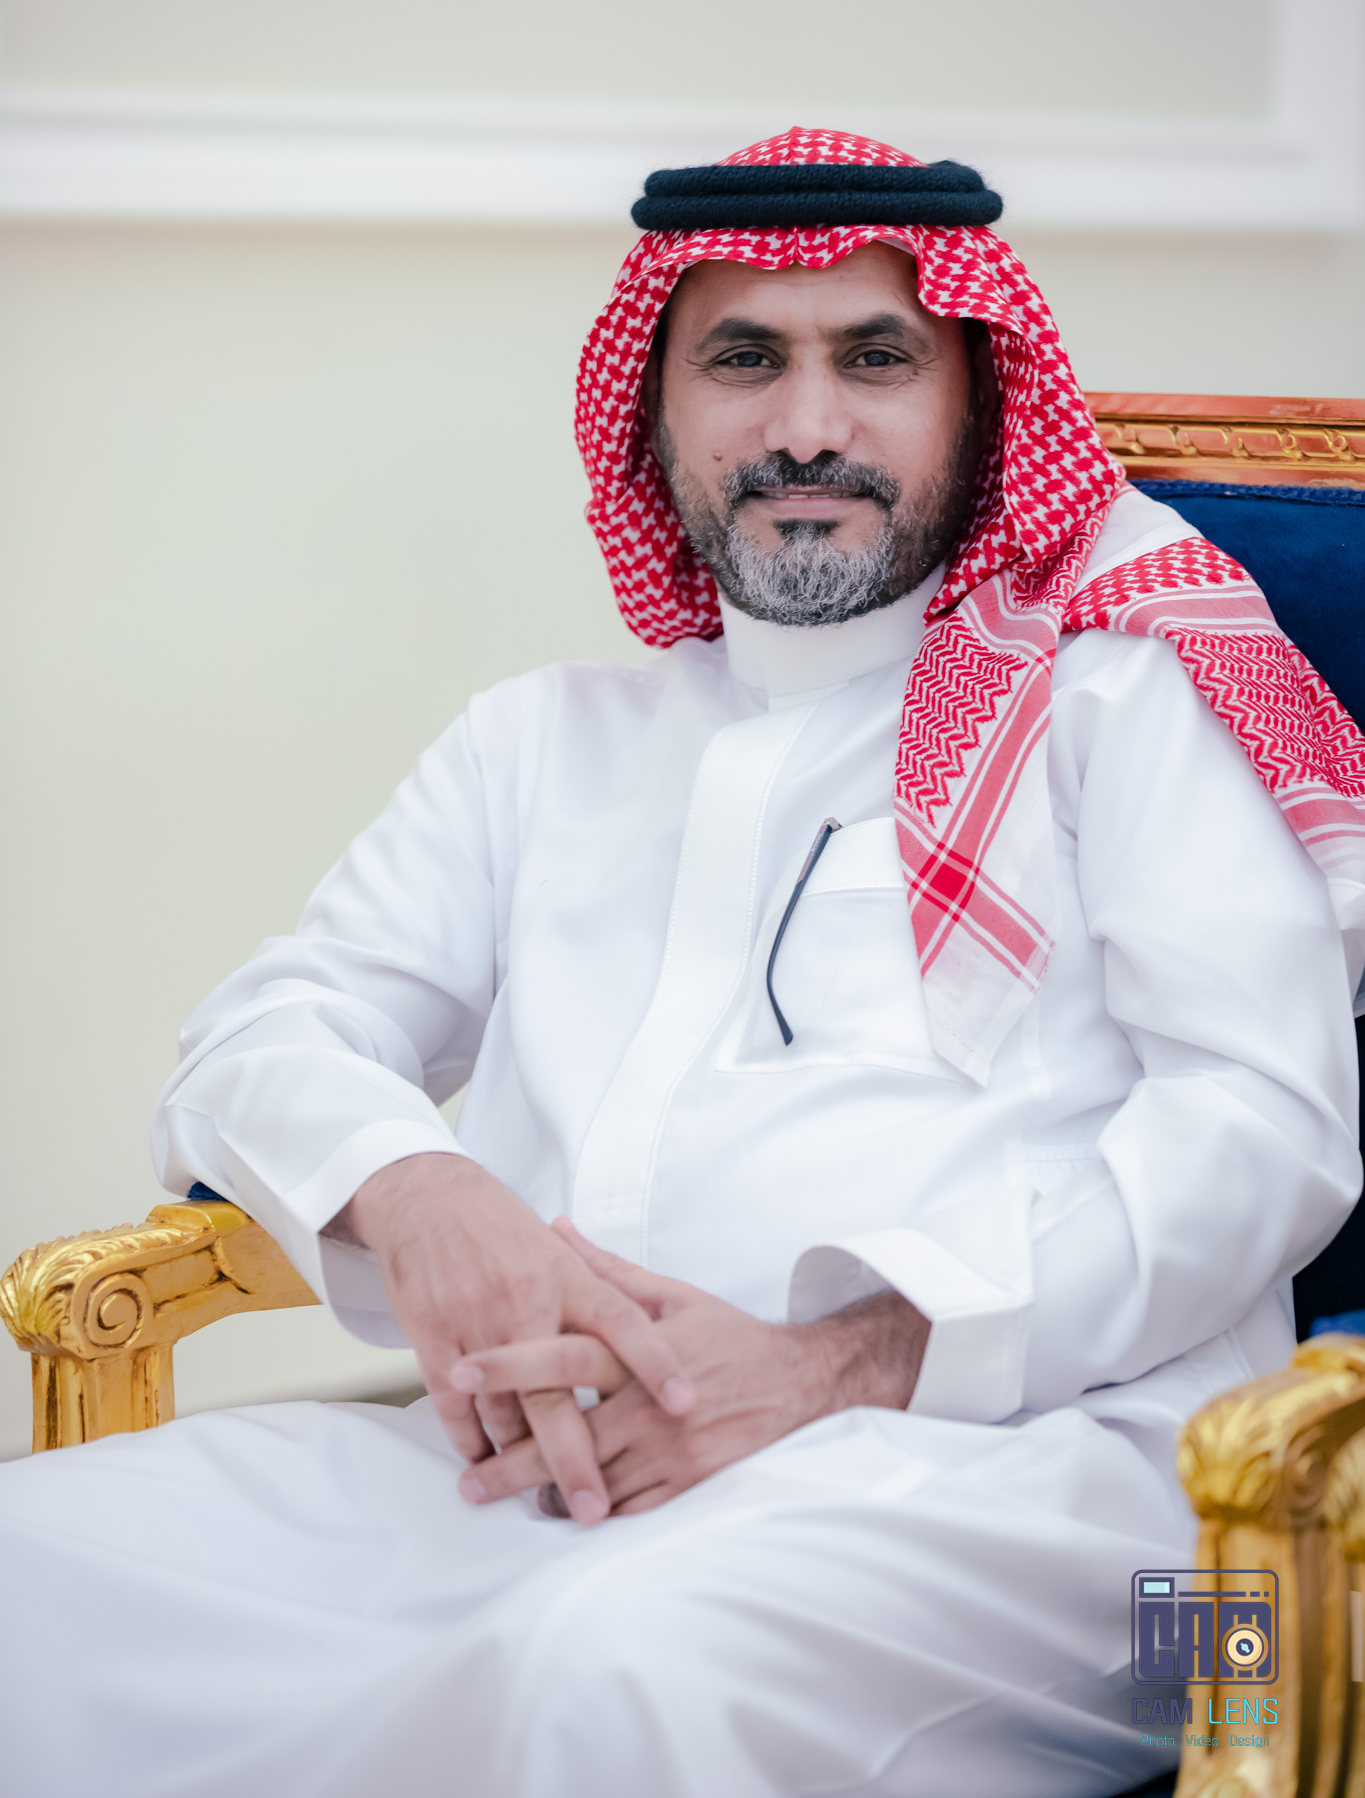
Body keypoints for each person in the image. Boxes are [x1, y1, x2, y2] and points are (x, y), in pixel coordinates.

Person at [2, 127, 1364, 1798]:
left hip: (1080, 1518)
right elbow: (263, 1033)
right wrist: (422, 1195)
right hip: (546, 1472)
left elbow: (1263, 1131)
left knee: (614, 1672)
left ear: (979, 403)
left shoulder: (1123, 706)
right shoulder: (540, 743)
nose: (806, 425)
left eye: (876, 359)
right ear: (654, 412)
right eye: (742, 359)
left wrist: (827, 1364)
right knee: (34, 1571)